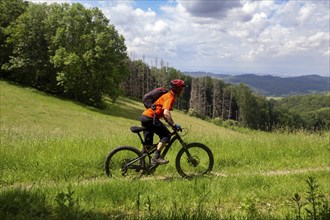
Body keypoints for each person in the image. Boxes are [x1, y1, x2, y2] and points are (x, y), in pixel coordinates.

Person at [141, 79, 186, 165]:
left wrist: (171, 124)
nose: (183, 91)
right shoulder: (170, 97)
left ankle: (141, 164)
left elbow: (163, 114)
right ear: (178, 90)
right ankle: (156, 157)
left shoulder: (167, 95)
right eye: (182, 89)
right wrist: (174, 124)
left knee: (148, 146)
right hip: (150, 118)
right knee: (166, 135)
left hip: (145, 117)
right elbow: (166, 113)